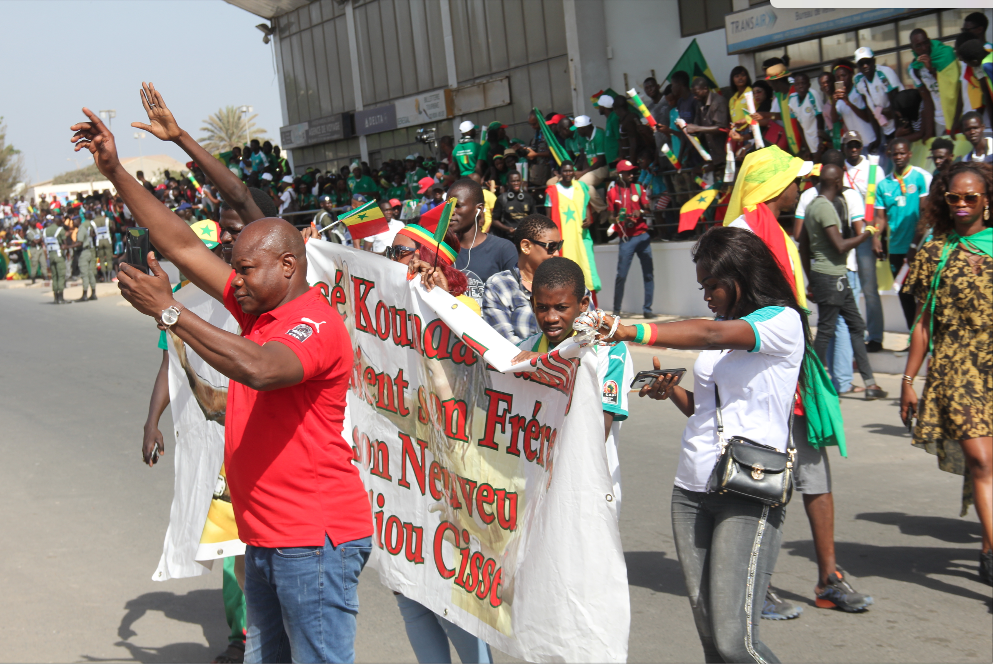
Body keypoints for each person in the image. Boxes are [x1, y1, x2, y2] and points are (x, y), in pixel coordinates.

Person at [72, 107, 373, 663]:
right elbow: (182, 244)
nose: (234, 280)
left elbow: (259, 367)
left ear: (287, 265)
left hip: (313, 540)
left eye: (246, 270)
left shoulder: (314, 323)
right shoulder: (258, 304)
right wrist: (115, 171)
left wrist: (170, 314)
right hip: (264, 535)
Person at [597, 225, 810, 663]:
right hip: (692, 487)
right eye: (702, 286)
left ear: (743, 276)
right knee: (713, 641)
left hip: (748, 486)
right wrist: (670, 390)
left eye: (714, 284)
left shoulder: (781, 322)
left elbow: (712, 337)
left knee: (737, 642)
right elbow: (708, 410)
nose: (708, 295)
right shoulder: (722, 326)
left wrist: (629, 331)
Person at [901, 161, 992, 586]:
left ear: (986, 202)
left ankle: (989, 545)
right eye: (953, 197)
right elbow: (923, 323)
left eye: (970, 197)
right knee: (981, 459)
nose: (961, 204)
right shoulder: (935, 251)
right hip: (956, 369)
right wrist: (908, 381)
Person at [511, 256, 633, 514]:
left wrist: (547, 364)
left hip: (587, 491)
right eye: (542, 307)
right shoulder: (524, 350)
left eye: (561, 307)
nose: (551, 317)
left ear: (583, 304)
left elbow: (600, 428)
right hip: (533, 486)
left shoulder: (609, 351)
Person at [798, 163, 886, 399]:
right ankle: (809, 385)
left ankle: (870, 384)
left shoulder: (812, 205)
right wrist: (867, 233)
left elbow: (803, 248)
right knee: (826, 330)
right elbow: (840, 246)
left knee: (856, 326)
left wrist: (811, 279)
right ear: (837, 182)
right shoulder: (825, 208)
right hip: (832, 277)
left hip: (830, 277)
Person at [874, 137, 932, 330]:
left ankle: (928, 335)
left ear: (909, 154)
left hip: (919, 246)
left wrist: (916, 244)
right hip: (897, 248)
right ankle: (913, 335)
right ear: (889, 155)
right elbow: (880, 218)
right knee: (904, 294)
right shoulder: (883, 185)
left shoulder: (918, 177)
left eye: (902, 153)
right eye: (895, 153)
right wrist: (876, 237)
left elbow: (925, 213)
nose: (898, 157)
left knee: (924, 292)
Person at [482, 214, 561, 344]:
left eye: (559, 246)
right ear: (526, 246)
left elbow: (589, 330)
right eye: (551, 247)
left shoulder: (569, 280)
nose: (557, 253)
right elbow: (505, 343)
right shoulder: (499, 286)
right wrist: (544, 357)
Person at [841, 130, 886, 351]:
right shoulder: (838, 169)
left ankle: (876, 337)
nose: (854, 149)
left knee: (869, 288)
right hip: (844, 236)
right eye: (849, 145)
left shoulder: (874, 170)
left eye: (857, 145)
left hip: (866, 234)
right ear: (844, 148)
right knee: (849, 289)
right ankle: (854, 338)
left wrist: (877, 235)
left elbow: (880, 206)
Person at [450, 178, 517, 305]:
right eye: (448, 206)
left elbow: (516, 299)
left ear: (479, 209)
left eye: (457, 206)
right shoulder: (442, 250)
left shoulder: (503, 249)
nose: (451, 212)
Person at [606, 160, 653, 318]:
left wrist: (640, 211)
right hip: (626, 239)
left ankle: (647, 310)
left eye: (633, 172)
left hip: (642, 236)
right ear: (620, 174)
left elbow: (648, 209)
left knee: (648, 273)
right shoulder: (612, 193)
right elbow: (610, 217)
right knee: (621, 275)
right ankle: (616, 310)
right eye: (628, 172)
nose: (632, 175)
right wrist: (620, 218)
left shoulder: (639, 189)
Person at [908, 28, 961, 140]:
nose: (924, 48)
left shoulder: (946, 55)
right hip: (939, 119)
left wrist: (931, 69)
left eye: (926, 43)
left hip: (958, 115)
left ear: (929, 41)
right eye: (918, 46)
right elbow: (927, 99)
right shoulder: (914, 69)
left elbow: (954, 87)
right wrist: (929, 131)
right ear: (912, 48)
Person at [852, 47, 904, 146]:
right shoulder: (858, 80)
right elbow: (869, 110)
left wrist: (897, 136)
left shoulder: (884, 73)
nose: (865, 66)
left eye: (868, 61)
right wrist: (878, 139)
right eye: (861, 64)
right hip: (885, 129)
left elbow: (897, 106)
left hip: (900, 127)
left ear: (874, 61)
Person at [684, 76, 729, 172]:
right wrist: (684, 128)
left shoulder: (718, 101)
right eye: (693, 94)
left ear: (705, 89)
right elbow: (697, 128)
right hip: (712, 157)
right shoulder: (699, 104)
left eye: (696, 93)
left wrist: (697, 128)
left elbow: (721, 128)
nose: (695, 97)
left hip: (725, 155)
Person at [831, 60, 878, 152]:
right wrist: (833, 102)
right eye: (837, 77)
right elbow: (834, 120)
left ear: (851, 74)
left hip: (873, 141)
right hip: (858, 146)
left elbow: (867, 117)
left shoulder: (859, 90)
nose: (841, 79)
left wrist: (848, 102)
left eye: (844, 75)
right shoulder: (838, 99)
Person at [489, 171, 535, 239]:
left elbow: (534, 218)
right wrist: (508, 229)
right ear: (508, 183)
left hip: (525, 237)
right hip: (508, 238)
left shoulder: (528, 198)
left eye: (518, 181)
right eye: (513, 181)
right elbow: (494, 221)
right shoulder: (502, 198)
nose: (516, 183)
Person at [72, 212, 99, 301]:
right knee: (90, 273)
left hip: (84, 253)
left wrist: (68, 247)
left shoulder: (81, 229)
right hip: (89, 252)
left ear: (77, 221)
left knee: (84, 274)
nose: (72, 223)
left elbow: (79, 243)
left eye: (73, 221)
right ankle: (93, 294)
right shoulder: (84, 227)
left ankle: (84, 295)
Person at [43, 215, 68, 304]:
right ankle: (61, 297)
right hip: (58, 255)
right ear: (58, 221)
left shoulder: (45, 230)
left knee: (54, 276)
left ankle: (55, 298)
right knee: (61, 275)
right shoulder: (60, 230)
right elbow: (64, 244)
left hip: (50, 255)